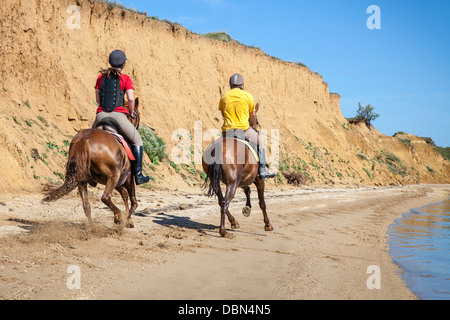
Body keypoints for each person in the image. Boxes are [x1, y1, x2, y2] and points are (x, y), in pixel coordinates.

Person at [92, 50, 150, 185]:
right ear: (123, 64)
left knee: (90, 139)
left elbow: (97, 98)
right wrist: (130, 112)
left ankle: (89, 174)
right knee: (137, 141)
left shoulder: (100, 78)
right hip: (118, 115)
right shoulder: (126, 78)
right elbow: (130, 98)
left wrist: (103, 109)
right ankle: (139, 175)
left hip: (100, 116)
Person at [219, 73, 276, 179]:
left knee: (219, 148)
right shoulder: (247, 96)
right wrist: (253, 126)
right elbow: (253, 114)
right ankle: (263, 170)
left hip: (227, 130)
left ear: (230, 85)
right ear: (242, 85)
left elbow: (223, 114)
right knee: (261, 143)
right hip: (244, 129)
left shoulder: (224, 97)